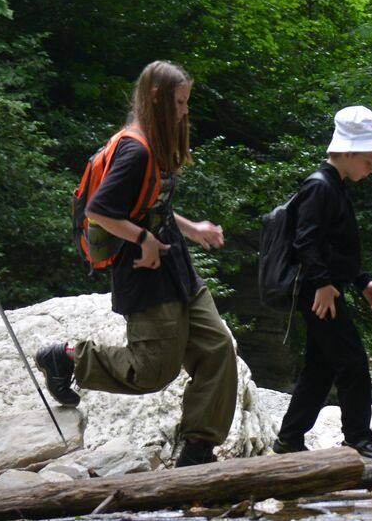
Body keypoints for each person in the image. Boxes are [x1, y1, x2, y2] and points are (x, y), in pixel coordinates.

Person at [36, 61, 238, 468]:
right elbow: (102, 210)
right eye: (180, 103)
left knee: (217, 349)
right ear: (158, 99)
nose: (184, 111)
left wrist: (192, 228)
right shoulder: (135, 148)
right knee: (151, 372)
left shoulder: (156, 143)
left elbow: (150, 205)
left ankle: (197, 449)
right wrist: (145, 239)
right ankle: (68, 357)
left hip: (178, 267)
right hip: (144, 274)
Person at [272, 106, 372, 460]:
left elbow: (334, 247)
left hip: (324, 288)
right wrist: (323, 284)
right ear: (349, 151)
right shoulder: (319, 186)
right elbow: (306, 241)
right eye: (369, 161)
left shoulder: (335, 187)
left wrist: (361, 281)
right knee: (352, 362)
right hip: (318, 292)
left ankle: (289, 438)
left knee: (321, 366)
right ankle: (358, 438)